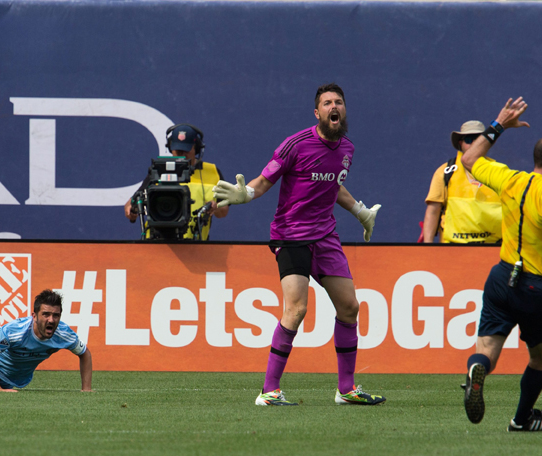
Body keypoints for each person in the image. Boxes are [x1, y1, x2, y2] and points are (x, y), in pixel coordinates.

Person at [213, 83, 385, 407]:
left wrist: (361, 213)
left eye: (338, 102)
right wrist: (245, 195)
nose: (334, 106)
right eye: (327, 103)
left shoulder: (347, 149)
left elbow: (333, 187)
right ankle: (269, 391)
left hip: (325, 237)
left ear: (344, 110)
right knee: (296, 309)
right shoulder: (296, 145)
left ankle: (346, 390)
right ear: (317, 112)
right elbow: (264, 181)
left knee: (350, 308)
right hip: (291, 234)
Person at [460, 97, 542, 431]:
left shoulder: (509, 179)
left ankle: (477, 369)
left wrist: (499, 125)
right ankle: (521, 419)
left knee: (488, 349)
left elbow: (469, 157)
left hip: (502, 277)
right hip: (537, 287)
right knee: (541, 357)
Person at [124, 123, 228, 240]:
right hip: (156, 243)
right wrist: (131, 211)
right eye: (177, 150)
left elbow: (223, 212)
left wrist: (215, 206)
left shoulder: (212, 172)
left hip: (195, 245)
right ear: (170, 148)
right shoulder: (159, 170)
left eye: (186, 150)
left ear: (196, 148)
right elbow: (130, 204)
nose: (181, 155)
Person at [422, 120, 502, 243]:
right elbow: (433, 211)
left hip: (493, 248)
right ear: (461, 143)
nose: (475, 144)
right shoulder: (445, 172)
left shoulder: (499, 171)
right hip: (452, 249)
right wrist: (428, 247)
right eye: (469, 140)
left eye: (479, 139)